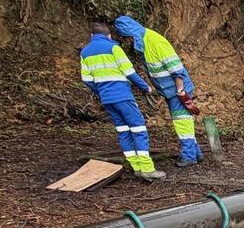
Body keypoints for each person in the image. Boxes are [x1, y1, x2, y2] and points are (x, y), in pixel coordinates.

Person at [113, 15, 204, 167]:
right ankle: (196, 153)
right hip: (169, 91)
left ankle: (189, 156)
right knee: (183, 121)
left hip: (177, 90)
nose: (128, 42)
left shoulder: (155, 41)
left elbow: (176, 68)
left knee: (182, 122)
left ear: (131, 34)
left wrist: (180, 90)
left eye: (127, 38)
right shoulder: (144, 42)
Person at [79, 22, 164, 180]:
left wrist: (101, 91)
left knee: (123, 131)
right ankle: (147, 169)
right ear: (109, 35)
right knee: (138, 130)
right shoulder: (113, 48)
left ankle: (136, 167)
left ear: (92, 35)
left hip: (107, 99)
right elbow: (129, 72)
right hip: (123, 96)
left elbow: (87, 79)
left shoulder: (85, 52)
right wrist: (145, 87)